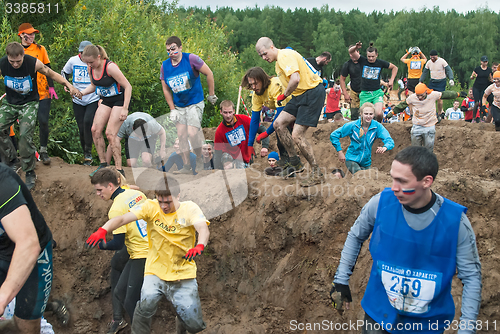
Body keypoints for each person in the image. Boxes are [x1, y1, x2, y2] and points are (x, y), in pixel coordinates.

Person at [330, 146, 481, 334]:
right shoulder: (380, 203)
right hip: (379, 316)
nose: (394, 187)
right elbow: (355, 235)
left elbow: (471, 277)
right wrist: (341, 279)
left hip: (427, 324)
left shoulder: (455, 221)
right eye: (393, 178)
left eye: (402, 181)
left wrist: (467, 328)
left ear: (426, 181)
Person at [86, 176, 210, 334]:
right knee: (144, 307)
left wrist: (200, 244)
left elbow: (202, 228)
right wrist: (103, 229)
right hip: (155, 270)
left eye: (168, 202)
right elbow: (123, 218)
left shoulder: (190, 208)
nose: (163, 206)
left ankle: (182, 321)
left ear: (178, 196)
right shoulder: (150, 207)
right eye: (160, 201)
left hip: (182, 271)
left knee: (194, 325)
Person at [0, 42, 81, 189]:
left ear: (23, 56)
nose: (15, 64)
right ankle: (12, 160)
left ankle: (29, 170)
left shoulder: (33, 63)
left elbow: (51, 73)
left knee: (25, 135)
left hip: (29, 103)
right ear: (7, 57)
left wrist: (69, 85)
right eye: (12, 62)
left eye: (18, 61)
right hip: (10, 103)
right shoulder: (2, 64)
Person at [255, 37, 326, 187]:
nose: (264, 58)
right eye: (261, 56)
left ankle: (317, 172)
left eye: (264, 53)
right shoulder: (278, 63)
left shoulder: (284, 56)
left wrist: (285, 95)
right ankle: (294, 162)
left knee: (297, 135)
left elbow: (295, 79)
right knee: (278, 123)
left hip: (312, 92)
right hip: (299, 94)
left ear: (272, 47)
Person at [90, 168, 148, 334]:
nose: (98, 194)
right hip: (147, 246)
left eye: (99, 190)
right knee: (120, 291)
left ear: (110, 186)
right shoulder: (135, 194)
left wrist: (101, 245)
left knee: (130, 301)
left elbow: (118, 243)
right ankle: (122, 321)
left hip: (142, 253)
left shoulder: (115, 208)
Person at [0, 163, 54, 333]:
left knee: (26, 323)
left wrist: (1, 300)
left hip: (33, 253)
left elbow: (28, 244)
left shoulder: (3, 183)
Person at [160, 36, 217, 173]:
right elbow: (165, 88)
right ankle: (186, 166)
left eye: (173, 49)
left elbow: (209, 73)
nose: (171, 53)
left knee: (192, 133)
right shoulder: (165, 66)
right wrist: (172, 109)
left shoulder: (191, 59)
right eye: (168, 50)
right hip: (179, 105)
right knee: (181, 135)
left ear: (180, 47)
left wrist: (211, 94)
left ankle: (198, 160)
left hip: (194, 102)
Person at [80, 44, 132, 177]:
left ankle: (119, 170)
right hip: (106, 100)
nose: (89, 65)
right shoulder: (90, 68)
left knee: (110, 134)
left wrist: (125, 108)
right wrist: (81, 93)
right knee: (95, 130)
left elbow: (128, 86)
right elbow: (93, 86)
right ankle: (103, 164)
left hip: (119, 100)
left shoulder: (110, 67)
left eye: (91, 62)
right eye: (87, 62)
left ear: (99, 57)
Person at [18, 23, 57, 166]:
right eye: (29, 33)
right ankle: (27, 152)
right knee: (26, 124)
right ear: (21, 35)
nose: (32, 36)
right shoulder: (17, 50)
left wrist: (51, 87)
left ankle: (44, 151)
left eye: (33, 33)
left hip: (42, 91)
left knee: (43, 121)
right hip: (24, 93)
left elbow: (48, 68)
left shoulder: (40, 49)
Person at [389, 83, 465, 151]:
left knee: (428, 151)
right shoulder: (412, 97)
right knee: (415, 150)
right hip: (417, 126)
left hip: (429, 126)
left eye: (421, 95)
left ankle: (427, 165)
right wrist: (392, 113)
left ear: (426, 92)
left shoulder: (432, 95)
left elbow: (445, 94)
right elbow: (402, 105)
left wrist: (458, 94)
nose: (420, 97)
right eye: (418, 95)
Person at [61, 41, 100, 166]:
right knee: (81, 126)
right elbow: (64, 73)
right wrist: (66, 85)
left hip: (92, 98)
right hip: (77, 99)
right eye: (81, 53)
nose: (83, 56)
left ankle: (89, 152)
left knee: (88, 122)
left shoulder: (94, 62)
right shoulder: (73, 61)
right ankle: (86, 154)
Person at [330, 102, 394, 175]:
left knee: (368, 180)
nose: (368, 116)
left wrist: (385, 147)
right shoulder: (353, 125)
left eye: (371, 114)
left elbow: (389, 141)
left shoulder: (377, 126)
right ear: (361, 114)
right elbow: (334, 135)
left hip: (366, 162)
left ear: (374, 115)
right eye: (366, 114)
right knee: (360, 175)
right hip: (352, 159)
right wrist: (340, 152)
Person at [240, 67, 285, 163]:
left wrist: (266, 133)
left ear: (263, 80)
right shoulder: (256, 95)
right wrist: (250, 145)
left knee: (283, 130)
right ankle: (286, 162)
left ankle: (293, 161)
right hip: (285, 111)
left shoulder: (275, 85)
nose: (253, 87)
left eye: (255, 83)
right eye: (251, 84)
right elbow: (255, 120)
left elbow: (280, 114)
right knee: (280, 138)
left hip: (296, 105)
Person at [349, 42, 398, 122]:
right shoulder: (362, 60)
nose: (371, 59)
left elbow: (395, 68)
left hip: (377, 92)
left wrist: (391, 80)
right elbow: (351, 52)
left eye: (372, 56)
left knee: (378, 113)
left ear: (376, 55)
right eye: (369, 57)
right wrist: (355, 47)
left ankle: (378, 127)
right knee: (364, 115)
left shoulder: (380, 63)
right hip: (365, 93)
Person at [214, 100, 251, 169]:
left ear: (233, 111)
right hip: (228, 155)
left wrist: (264, 146)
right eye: (225, 112)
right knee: (228, 164)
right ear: (221, 112)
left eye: (230, 112)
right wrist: (217, 169)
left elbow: (260, 128)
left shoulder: (244, 119)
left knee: (242, 173)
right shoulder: (220, 130)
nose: (228, 116)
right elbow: (217, 153)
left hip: (243, 157)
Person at [419, 49, 454, 118]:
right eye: (431, 57)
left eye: (433, 57)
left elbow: (448, 70)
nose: (432, 59)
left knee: (439, 98)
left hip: (441, 82)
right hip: (432, 82)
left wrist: (451, 79)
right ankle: (431, 112)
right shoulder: (429, 63)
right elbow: (425, 72)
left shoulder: (442, 61)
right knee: (429, 97)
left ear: (437, 56)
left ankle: (440, 113)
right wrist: (421, 81)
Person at [340, 45, 362, 120]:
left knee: (367, 112)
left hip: (365, 91)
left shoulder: (364, 62)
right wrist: (345, 94)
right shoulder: (347, 64)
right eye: (350, 53)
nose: (352, 55)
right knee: (354, 114)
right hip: (354, 90)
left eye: (354, 52)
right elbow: (342, 79)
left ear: (358, 52)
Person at [470, 56, 492, 121]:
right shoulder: (477, 69)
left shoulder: (489, 69)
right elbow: (471, 77)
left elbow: (490, 78)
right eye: (484, 62)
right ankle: (474, 118)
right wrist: (473, 76)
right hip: (477, 87)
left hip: (484, 88)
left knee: (482, 103)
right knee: (477, 103)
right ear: (481, 62)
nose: (485, 63)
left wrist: (495, 81)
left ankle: (481, 117)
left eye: (486, 62)